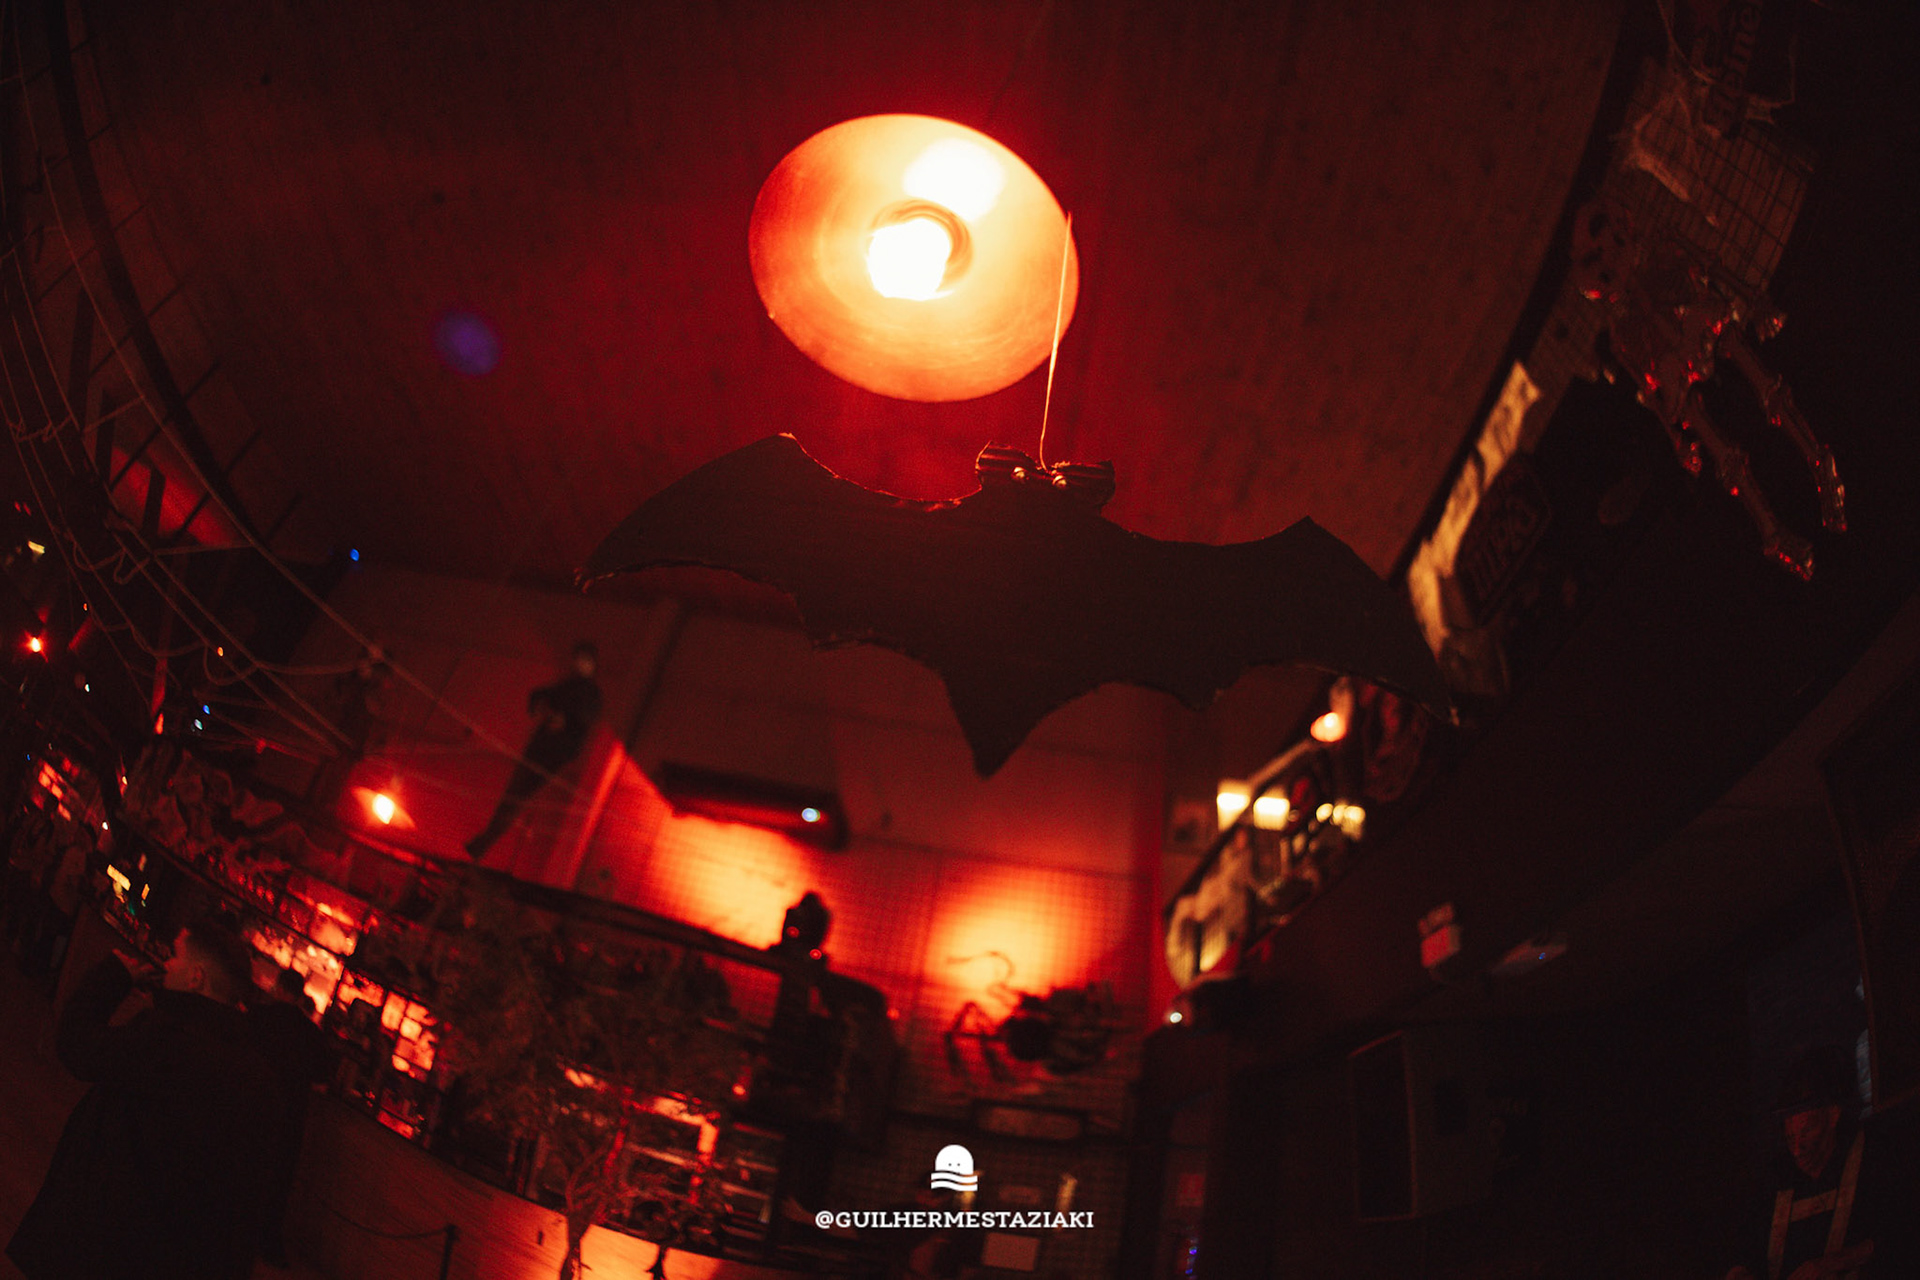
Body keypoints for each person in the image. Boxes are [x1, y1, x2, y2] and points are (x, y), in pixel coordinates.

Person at [7, 921, 283, 1280]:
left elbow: (78, 1046)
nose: (167, 964)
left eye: (176, 956)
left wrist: (112, 976)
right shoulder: (259, 1079)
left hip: (111, 1241)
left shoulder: (167, 1041)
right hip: (179, 1256)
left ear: (196, 977)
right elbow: (246, 1198)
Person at [1725, 1045, 1918, 1280]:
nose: (1798, 1150)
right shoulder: (1776, 1179)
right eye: (1790, 1138)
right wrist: (1739, 1272)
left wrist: (1836, 1262)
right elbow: (1745, 1248)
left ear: (1832, 1115)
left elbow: (1904, 1233)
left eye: (1806, 1132)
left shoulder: (1875, 1160)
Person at [465, 640, 602, 858]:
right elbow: (539, 695)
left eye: (583, 660)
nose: (578, 664)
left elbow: (582, 720)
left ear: (592, 664)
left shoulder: (590, 694)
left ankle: (484, 843)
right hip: (542, 747)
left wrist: (562, 720)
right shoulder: (568, 686)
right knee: (513, 796)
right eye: (577, 659)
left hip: (555, 753)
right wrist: (542, 709)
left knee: (518, 796)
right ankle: (484, 842)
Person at [250, 967, 336, 1268]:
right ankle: (268, 1243)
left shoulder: (258, 1016)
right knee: (279, 1180)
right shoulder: (312, 1034)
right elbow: (323, 1080)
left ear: (279, 988)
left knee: (245, 1166)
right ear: (299, 996)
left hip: (253, 1103)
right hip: (289, 1115)